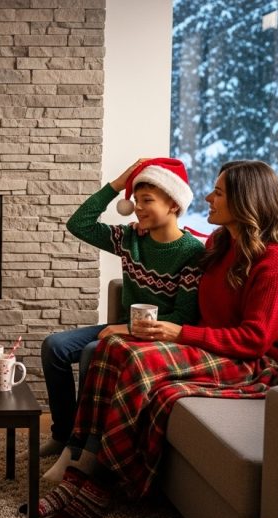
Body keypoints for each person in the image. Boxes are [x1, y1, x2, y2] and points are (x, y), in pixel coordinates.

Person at [32, 160, 278, 518]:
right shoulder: (221, 243)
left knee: (133, 359)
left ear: (246, 200)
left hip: (254, 362)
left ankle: (106, 480)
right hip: (212, 348)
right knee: (114, 348)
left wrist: (178, 333)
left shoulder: (274, 263)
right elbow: (177, 245)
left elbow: (255, 340)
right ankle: (82, 468)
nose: (208, 197)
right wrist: (146, 224)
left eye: (219, 192)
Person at [37, 158, 204, 465]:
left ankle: (85, 447)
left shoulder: (192, 253)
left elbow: (184, 317)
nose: (138, 208)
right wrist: (118, 182)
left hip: (159, 338)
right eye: (136, 200)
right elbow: (79, 224)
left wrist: (125, 330)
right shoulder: (130, 239)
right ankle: (61, 436)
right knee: (55, 347)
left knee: (91, 351)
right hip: (125, 328)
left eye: (148, 200)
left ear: (173, 204)